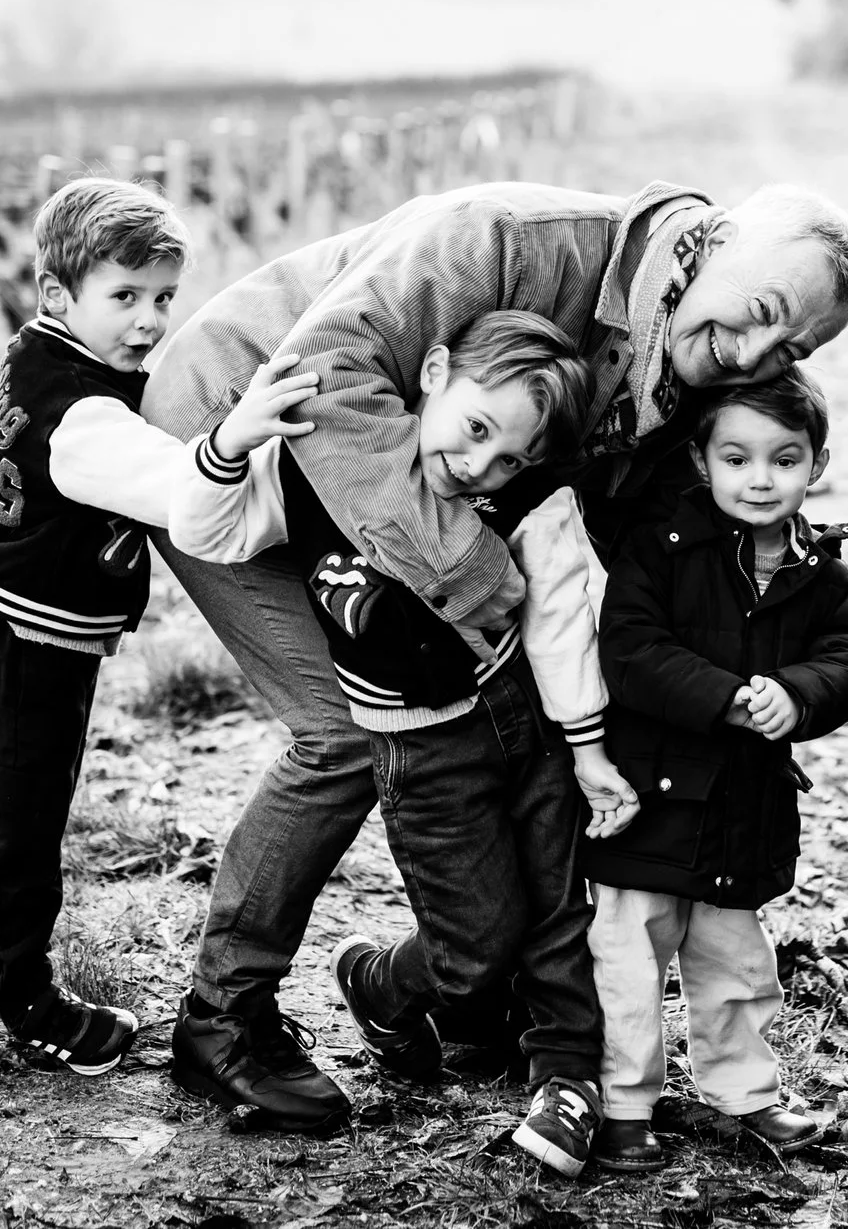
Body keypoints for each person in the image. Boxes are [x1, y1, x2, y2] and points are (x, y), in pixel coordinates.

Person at [141, 179, 848, 1132]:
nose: (755, 354)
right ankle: (220, 1019)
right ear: (716, 237)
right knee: (344, 734)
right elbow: (326, 369)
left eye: (792, 350)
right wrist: (479, 576)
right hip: (241, 441)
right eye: (764, 313)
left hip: (413, 490)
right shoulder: (509, 242)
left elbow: (619, 536)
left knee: (524, 720)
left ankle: (455, 985)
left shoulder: (684, 365)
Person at [169, 310, 636, 1174]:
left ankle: (569, 1076)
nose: (480, 467)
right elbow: (204, 531)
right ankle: (382, 983)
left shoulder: (531, 499)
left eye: (511, 457)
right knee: (475, 952)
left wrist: (586, 745)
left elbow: (562, 617)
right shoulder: (318, 472)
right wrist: (231, 441)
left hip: (525, 719)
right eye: (476, 429)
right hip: (421, 749)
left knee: (559, 899)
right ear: (432, 373)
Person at [0, 177, 321, 1075]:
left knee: (0, 793)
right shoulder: (82, 414)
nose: (149, 321)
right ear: (58, 294)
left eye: (163, 297)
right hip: (32, 639)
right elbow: (174, 488)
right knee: (25, 822)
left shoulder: (49, 355)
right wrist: (236, 435)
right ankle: (24, 998)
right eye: (123, 297)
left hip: (27, 627)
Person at [580, 370, 848, 1173]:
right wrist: (725, 698)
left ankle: (746, 1093)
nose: (760, 478)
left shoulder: (824, 571)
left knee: (737, 964)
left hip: (742, 805)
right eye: (738, 457)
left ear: (816, 464)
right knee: (629, 955)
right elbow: (632, 649)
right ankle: (624, 1104)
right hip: (648, 794)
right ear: (702, 462)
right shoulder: (662, 546)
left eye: (784, 459)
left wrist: (797, 695)